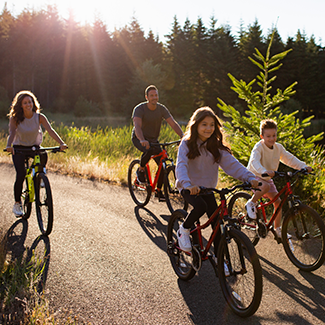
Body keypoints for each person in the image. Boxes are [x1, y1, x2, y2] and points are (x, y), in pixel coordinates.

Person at [175, 107, 259, 267]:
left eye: (212, 125)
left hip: (207, 188)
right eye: (204, 124)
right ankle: (184, 229)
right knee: (200, 206)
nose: (208, 128)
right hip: (189, 187)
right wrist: (187, 184)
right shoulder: (186, 144)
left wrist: (250, 178)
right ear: (196, 125)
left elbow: (232, 165)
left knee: (218, 225)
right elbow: (181, 165)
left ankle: (222, 261)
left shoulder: (216, 146)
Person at [245, 119, 312, 238]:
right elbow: (254, 161)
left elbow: (289, 158)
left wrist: (303, 166)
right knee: (265, 186)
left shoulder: (278, 148)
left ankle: (277, 229)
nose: (271, 139)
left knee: (278, 202)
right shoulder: (258, 147)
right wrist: (264, 171)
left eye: (274, 135)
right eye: (268, 136)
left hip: (267, 177)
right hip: (254, 176)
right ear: (262, 136)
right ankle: (251, 203)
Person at [5, 90, 68, 217]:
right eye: (25, 103)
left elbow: (50, 130)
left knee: (43, 153)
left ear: (33, 103)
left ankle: (40, 176)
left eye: (30, 102)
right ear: (20, 105)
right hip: (19, 148)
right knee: (21, 174)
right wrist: (8, 146)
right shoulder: (15, 118)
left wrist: (61, 143)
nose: (28, 105)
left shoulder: (39, 117)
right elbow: (12, 133)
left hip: (34, 147)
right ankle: (17, 203)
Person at [131, 85, 183, 201]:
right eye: (152, 96)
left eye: (156, 95)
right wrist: (142, 140)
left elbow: (173, 123)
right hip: (139, 138)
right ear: (147, 97)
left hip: (154, 140)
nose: (154, 97)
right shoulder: (140, 109)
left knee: (163, 162)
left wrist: (182, 136)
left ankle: (158, 191)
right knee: (148, 150)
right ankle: (141, 170)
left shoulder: (161, 109)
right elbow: (137, 126)